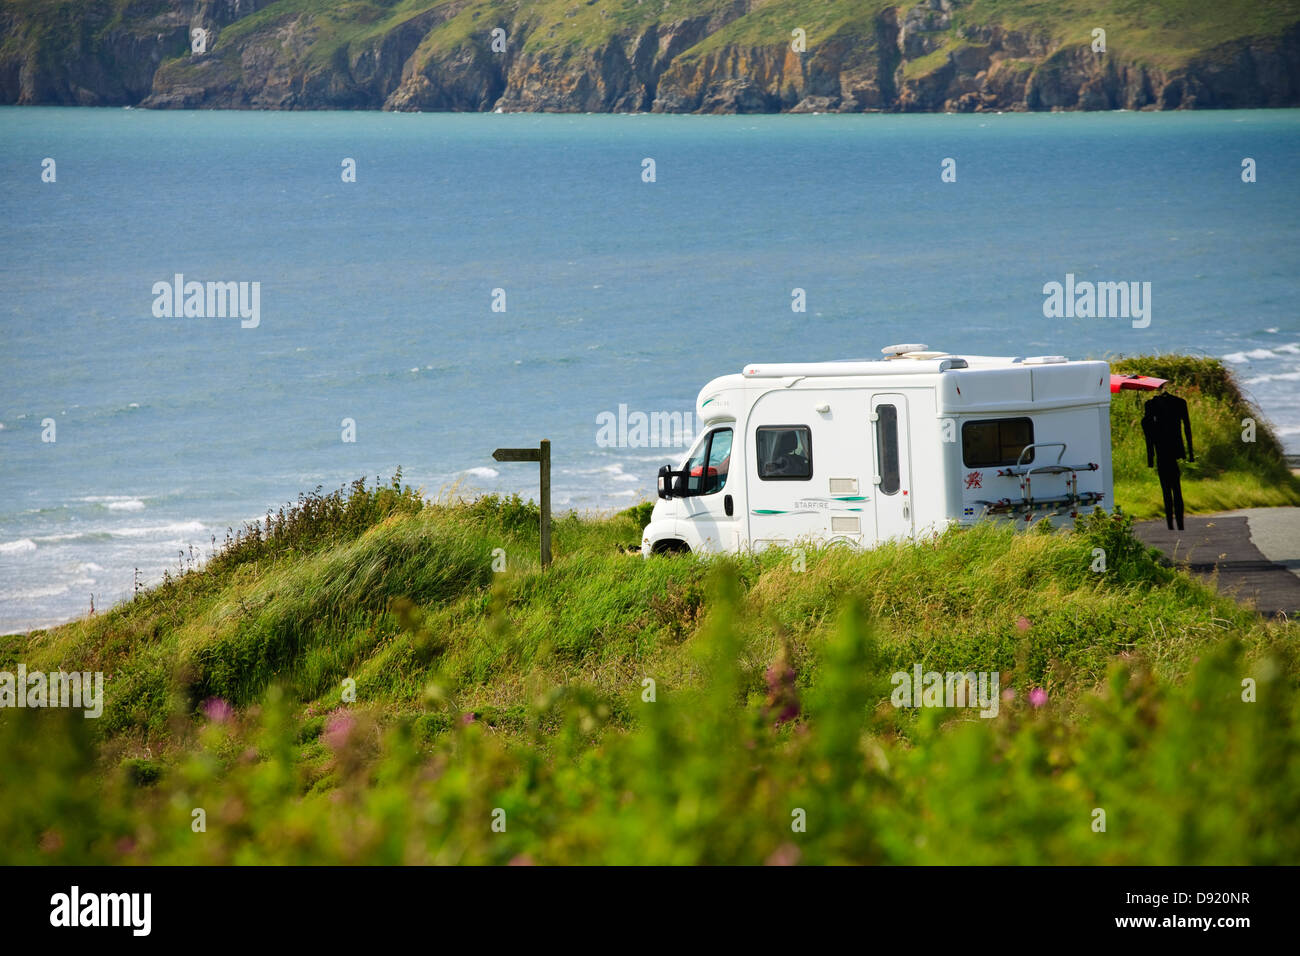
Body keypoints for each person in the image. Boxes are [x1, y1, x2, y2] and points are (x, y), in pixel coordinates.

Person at [1141, 385, 1195, 531]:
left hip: (1161, 450)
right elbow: (1187, 429)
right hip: (1174, 449)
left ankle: (1171, 525)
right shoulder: (1180, 403)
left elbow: (1149, 435)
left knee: (1167, 489)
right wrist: (1190, 454)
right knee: (1176, 488)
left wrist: (1150, 458)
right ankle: (1179, 524)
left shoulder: (1150, 405)